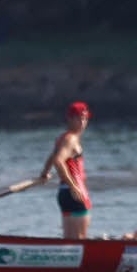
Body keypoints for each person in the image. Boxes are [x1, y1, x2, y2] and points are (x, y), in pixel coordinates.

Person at [37, 101, 94, 239]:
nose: (83, 122)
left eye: (85, 118)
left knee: (69, 239)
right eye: (79, 118)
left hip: (64, 193)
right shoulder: (71, 139)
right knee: (80, 239)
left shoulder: (62, 138)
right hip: (75, 192)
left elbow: (53, 156)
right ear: (69, 118)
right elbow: (58, 160)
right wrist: (73, 186)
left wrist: (44, 173)